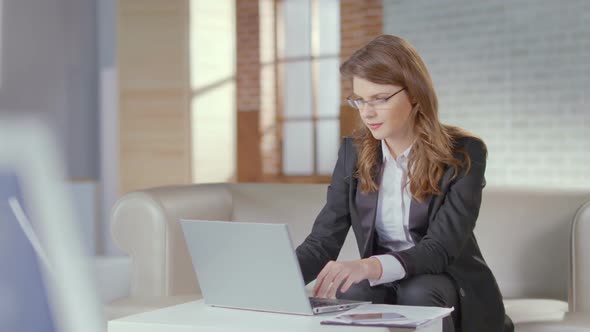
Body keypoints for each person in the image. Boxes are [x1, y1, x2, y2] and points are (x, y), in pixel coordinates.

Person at [295, 35, 513, 332]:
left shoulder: (464, 153)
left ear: (414, 94)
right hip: (388, 279)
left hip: (448, 282)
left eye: (380, 99)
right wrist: (275, 280)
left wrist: (369, 265)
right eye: (359, 99)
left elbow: (439, 249)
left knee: (418, 291)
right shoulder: (354, 152)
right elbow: (323, 241)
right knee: (351, 288)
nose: (367, 112)